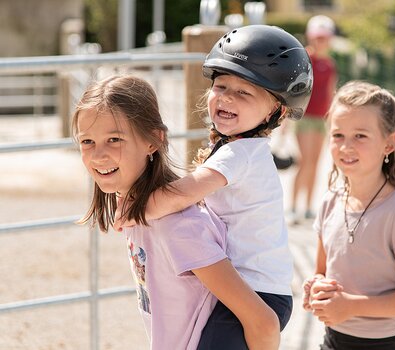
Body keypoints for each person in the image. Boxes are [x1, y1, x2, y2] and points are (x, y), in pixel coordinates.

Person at [115, 25, 313, 349]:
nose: (227, 98)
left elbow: (185, 192)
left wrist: (135, 211)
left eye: (244, 92)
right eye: (221, 85)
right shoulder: (239, 149)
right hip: (248, 288)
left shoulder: (240, 154)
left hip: (257, 293)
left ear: (275, 112)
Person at [72, 75, 283, 350]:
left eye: (114, 139)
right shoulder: (137, 210)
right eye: (87, 141)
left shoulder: (178, 225)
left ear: (153, 141)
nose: (98, 155)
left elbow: (263, 322)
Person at [302, 81, 395, 349]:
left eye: (360, 136)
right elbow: (321, 271)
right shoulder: (330, 202)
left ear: (389, 143)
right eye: (338, 135)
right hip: (332, 341)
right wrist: (315, 288)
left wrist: (351, 307)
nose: (346, 146)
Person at [289, 15, 337, 224]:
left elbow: (330, 93)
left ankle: (308, 207)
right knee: (305, 162)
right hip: (305, 117)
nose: (321, 41)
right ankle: (292, 207)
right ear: (310, 37)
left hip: (321, 120)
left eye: (324, 38)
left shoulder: (330, 63)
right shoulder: (305, 59)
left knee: (316, 164)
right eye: (318, 37)